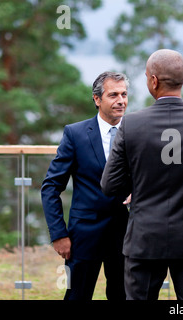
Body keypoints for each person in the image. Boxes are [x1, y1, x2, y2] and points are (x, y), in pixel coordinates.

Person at [100, 49, 183, 300]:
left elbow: (109, 185)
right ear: (182, 79)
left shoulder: (131, 124)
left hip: (143, 238)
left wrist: (138, 183)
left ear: (153, 81)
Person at [41, 71, 130, 300]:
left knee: (124, 296)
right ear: (97, 99)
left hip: (127, 233)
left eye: (124, 94)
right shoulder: (75, 133)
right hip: (83, 235)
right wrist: (58, 234)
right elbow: (51, 187)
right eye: (113, 95)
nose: (121, 100)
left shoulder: (136, 131)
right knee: (76, 296)